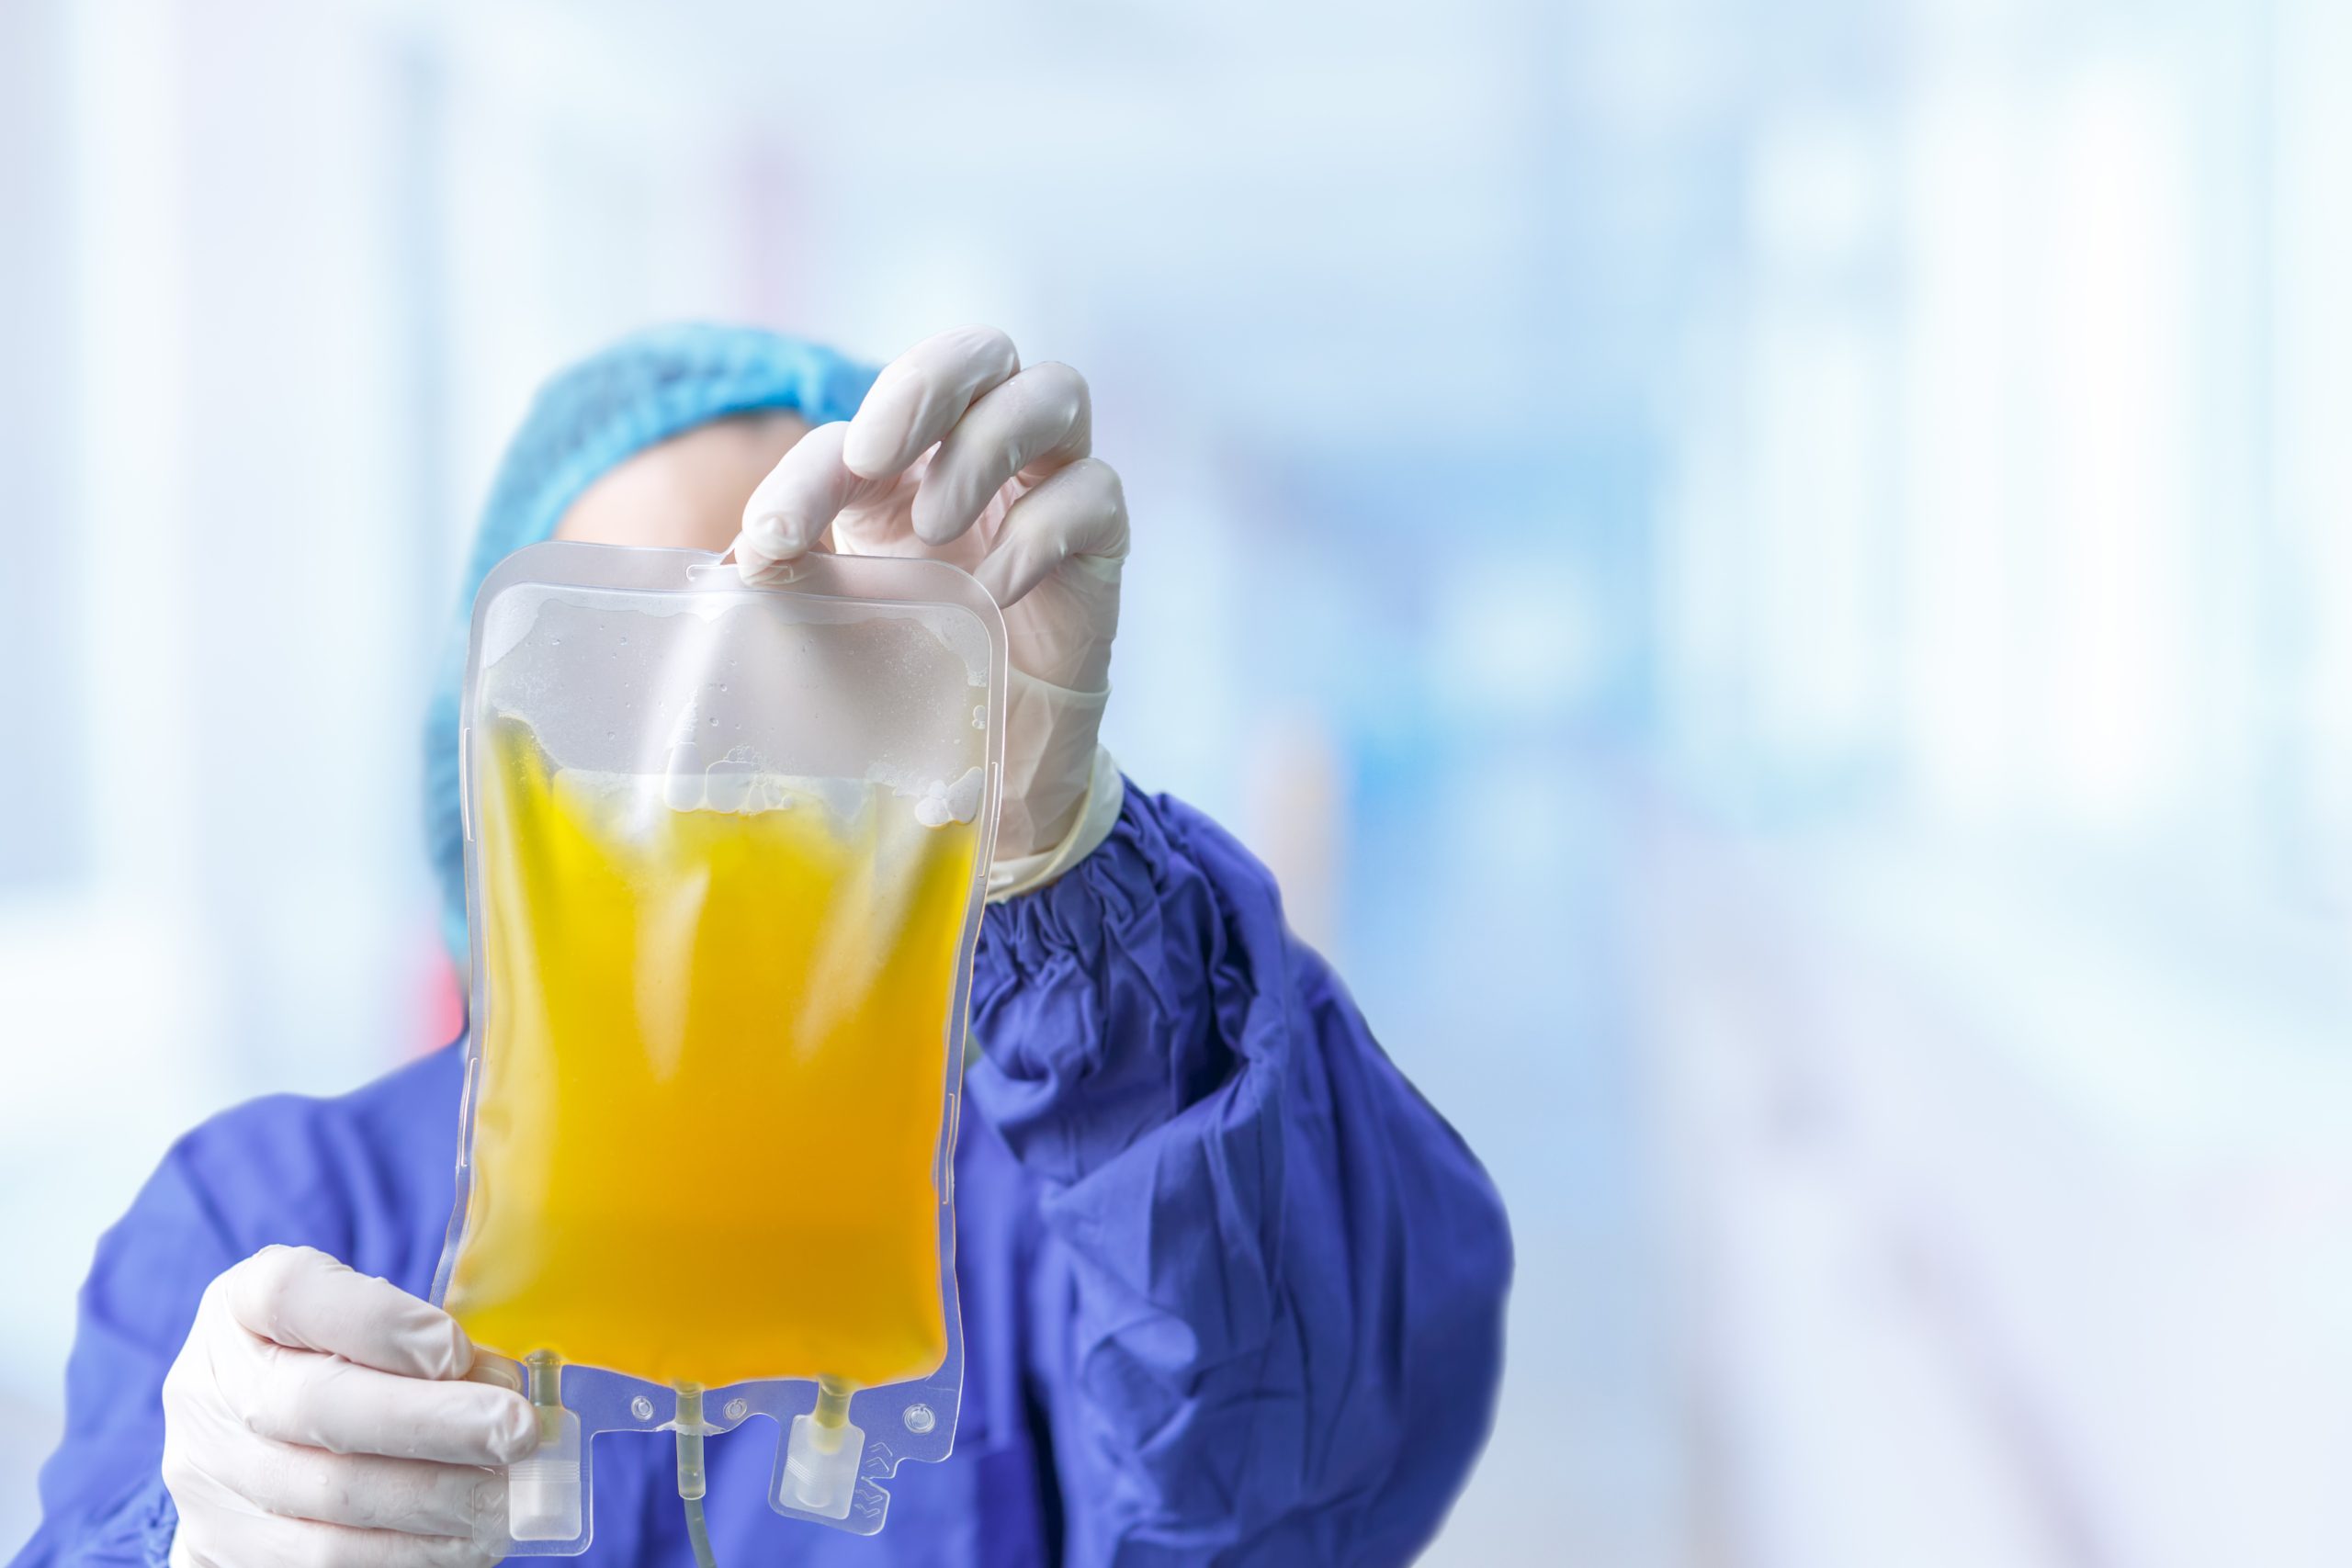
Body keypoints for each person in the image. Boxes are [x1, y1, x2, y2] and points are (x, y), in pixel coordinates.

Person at [13, 325, 1512, 1568]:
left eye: (812, 671)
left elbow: (1315, 1480)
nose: (719, 758)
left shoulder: (1063, 1208)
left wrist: (1064, 853)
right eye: (633, 673)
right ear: (486, 759)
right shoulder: (276, 1216)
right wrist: (186, 1544)